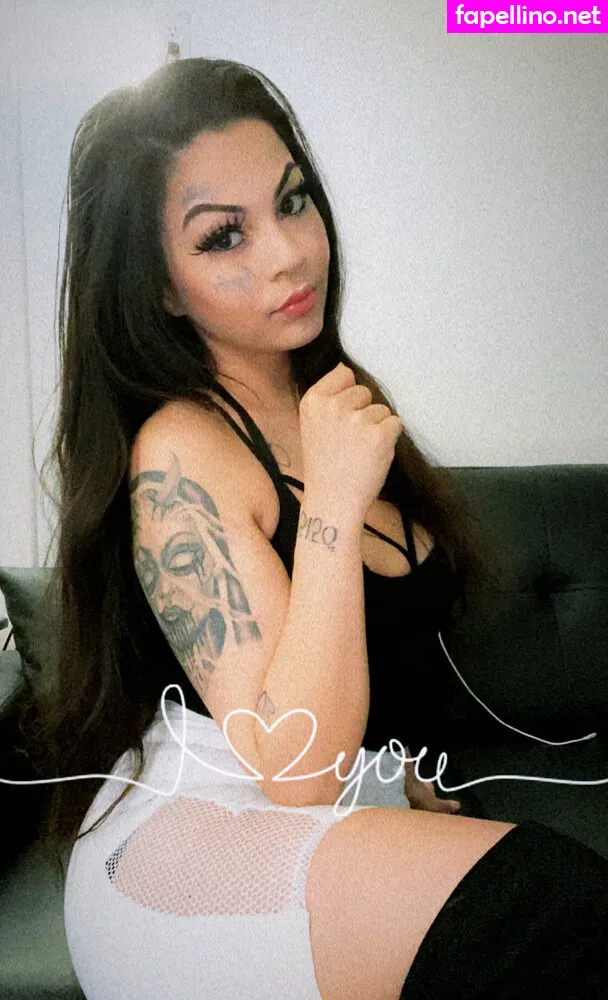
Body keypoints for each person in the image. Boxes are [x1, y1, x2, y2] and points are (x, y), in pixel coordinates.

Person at [26, 57, 608, 1000]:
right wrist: (332, 506)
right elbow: (295, 764)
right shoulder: (182, 449)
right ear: (162, 286)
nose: (289, 254)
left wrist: (389, 782)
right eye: (224, 236)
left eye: (292, 201)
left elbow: (357, 683)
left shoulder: (329, 396)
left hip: (315, 806)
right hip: (197, 844)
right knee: (557, 905)